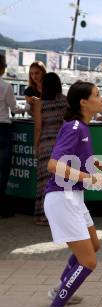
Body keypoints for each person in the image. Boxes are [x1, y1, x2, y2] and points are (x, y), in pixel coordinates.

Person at [40, 81, 102, 307]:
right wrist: (88, 178)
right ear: (83, 102)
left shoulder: (82, 126)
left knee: (93, 246)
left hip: (73, 198)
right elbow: (53, 165)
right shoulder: (74, 127)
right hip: (62, 199)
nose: (101, 98)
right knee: (88, 262)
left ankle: (61, 286)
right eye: (97, 95)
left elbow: (80, 159)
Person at [33, 72, 67, 225]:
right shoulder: (66, 101)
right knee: (59, 181)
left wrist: (36, 146)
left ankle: (43, 216)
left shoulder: (40, 103)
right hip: (62, 145)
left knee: (44, 181)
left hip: (46, 145)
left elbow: (38, 128)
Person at [0, 55, 22, 218]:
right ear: (2, 67)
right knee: (3, 169)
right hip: (3, 129)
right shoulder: (6, 86)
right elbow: (14, 109)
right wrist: (29, 106)